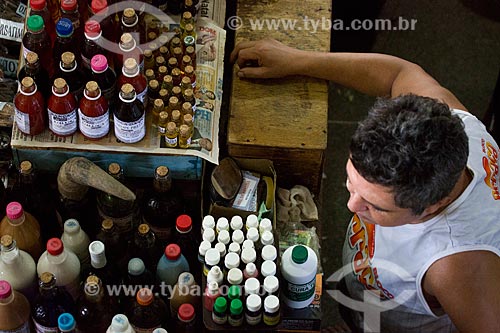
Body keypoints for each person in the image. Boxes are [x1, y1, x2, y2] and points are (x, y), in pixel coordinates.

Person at [231, 38, 500, 332]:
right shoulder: (448, 125)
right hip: (371, 290)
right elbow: (398, 74)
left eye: (375, 206)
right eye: (351, 181)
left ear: (434, 204)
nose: (351, 206)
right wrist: (297, 60)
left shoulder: (458, 269)